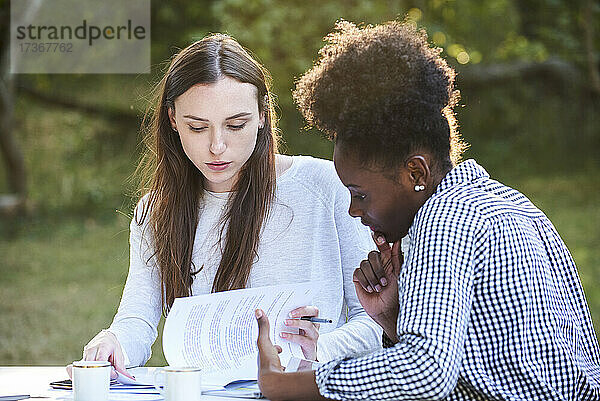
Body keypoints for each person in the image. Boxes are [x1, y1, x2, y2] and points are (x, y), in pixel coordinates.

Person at [255, 20, 600, 400]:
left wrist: (285, 385)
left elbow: (426, 372)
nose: (354, 210)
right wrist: (391, 319)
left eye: (360, 194)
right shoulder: (511, 204)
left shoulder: (445, 219)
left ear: (415, 172)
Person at [73, 33, 382, 379]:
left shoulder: (326, 186)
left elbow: (372, 323)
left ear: (263, 115)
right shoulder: (155, 211)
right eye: (197, 127)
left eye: (236, 125)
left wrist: (318, 349)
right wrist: (112, 341)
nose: (217, 146)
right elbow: (138, 320)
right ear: (173, 119)